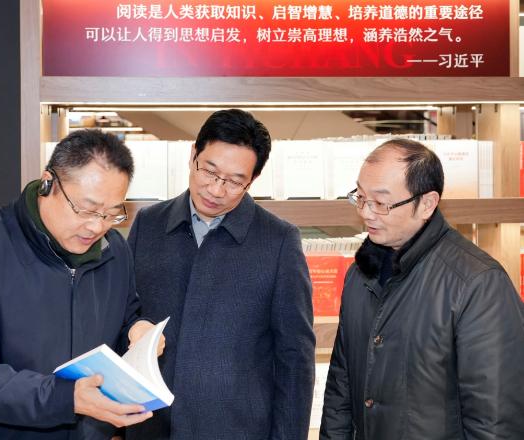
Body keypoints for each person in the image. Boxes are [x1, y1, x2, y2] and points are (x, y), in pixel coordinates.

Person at [0, 129, 162, 439]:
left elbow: (122, 318)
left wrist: (137, 331)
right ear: (48, 183)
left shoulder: (114, 251)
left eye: (111, 214)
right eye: (86, 209)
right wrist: (65, 398)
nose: (96, 226)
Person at [126, 109, 316, 440]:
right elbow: (125, 311)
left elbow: (295, 358)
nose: (215, 190)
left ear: (253, 180)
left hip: (238, 429)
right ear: (192, 156)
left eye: (235, 181)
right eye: (209, 171)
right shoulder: (149, 224)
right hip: (150, 425)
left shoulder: (279, 241)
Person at [320, 139, 524, 439]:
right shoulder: (360, 274)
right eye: (360, 197)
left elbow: (495, 420)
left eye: (381, 203)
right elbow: (341, 388)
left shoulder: (478, 284)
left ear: (427, 204)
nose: (366, 213)